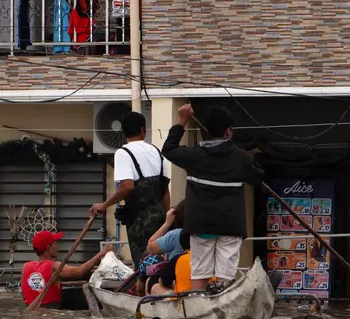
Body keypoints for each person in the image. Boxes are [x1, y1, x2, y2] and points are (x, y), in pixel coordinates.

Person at [162, 104, 264, 293]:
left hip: (201, 226)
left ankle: (198, 311)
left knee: (199, 277)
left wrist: (182, 121)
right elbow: (258, 176)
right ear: (228, 131)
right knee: (225, 279)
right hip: (230, 227)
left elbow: (168, 149)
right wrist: (236, 151)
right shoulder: (239, 158)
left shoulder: (194, 156)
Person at [90, 111, 170, 270]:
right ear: (143, 130)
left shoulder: (123, 153)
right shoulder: (156, 151)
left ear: (123, 132)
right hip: (161, 218)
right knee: (162, 262)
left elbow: (127, 186)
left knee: (144, 265)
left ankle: (144, 292)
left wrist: (104, 205)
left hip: (139, 222)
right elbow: (165, 190)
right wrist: (168, 220)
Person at [21, 230, 113, 310]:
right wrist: (102, 253)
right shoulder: (54, 266)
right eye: (55, 244)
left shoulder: (25, 267)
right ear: (49, 248)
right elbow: (79, 272)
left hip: (31, 312)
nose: (57, 247)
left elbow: (25, 295)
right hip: (50, 315)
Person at [146, 201, 192, 296]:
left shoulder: (176, 235)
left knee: (150, 282)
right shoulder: (208, 236)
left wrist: (167, 223)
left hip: (177, 284)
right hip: (203, 282)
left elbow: (150, 247)